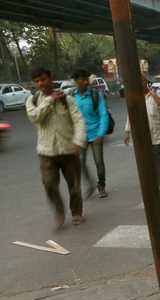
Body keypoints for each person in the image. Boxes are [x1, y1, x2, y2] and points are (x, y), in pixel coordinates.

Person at [25, 66, 87, 230]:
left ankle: (76, 211)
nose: (40, 84)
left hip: (69, 150)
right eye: (37, 81)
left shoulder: (67, 100)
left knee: (74, 185)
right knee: (49, 184)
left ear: (51, 79)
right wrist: (50, 99)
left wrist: (78, 141)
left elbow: (79, 120)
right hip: (47, 152)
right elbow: (35, 117)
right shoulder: (32, 101)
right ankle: (59, 212)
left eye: (43, 79)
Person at [124, 76, 160, 195]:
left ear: (147, 82)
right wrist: (127, 132)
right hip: (142, 136)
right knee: (146, 160)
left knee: (157, 159)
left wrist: (153, 95)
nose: (140, 84)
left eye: (142, 81)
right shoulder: (135, 97)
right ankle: (151, 182)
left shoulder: (157, 92)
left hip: (157, 134)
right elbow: (131, 114)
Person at [72, 68, 110, 199]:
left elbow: (103, 114)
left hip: (95, 133)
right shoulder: (72, 96)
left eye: (86, 79)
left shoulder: (95, 95)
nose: (85, 81)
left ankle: (101, 186)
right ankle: (90, 184)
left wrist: (100, 134)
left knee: (98, 161)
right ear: (76, 81)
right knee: (79, 163)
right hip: (80, 135)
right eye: (82, 79)